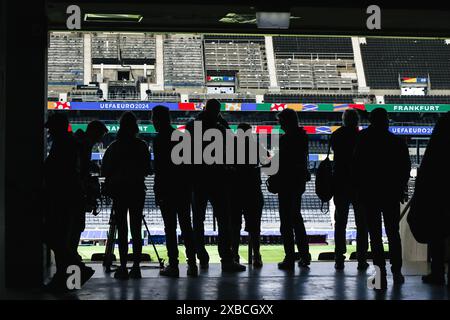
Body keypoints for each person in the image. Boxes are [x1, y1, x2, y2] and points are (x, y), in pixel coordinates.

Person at [353, 108, 411, 290]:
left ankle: (380, 276)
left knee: (375, 237)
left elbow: (356, 167)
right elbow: (405, 169)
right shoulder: (396, 142)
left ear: (371, 120)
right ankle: (397, 271)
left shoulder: (363, 139)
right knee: (393, 234)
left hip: (370, 194)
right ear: (386, 121)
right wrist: (400, 188)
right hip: (390, 194)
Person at [186, 99, 246, 272]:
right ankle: (226, 258)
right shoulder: (221, 125)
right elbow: (232, 145)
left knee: (198, 220)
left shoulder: (193, 125)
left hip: (199, 178)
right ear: (217, 110)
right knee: (222, 219)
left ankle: (201, 256)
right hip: (217, 178)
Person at [43, 113, 94, 291]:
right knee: (60, 239)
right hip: (70, 196)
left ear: (58, 127)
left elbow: (52, 169)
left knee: (55, 237)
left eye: (51, 127)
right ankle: (66, 278)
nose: (49, 131)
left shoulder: (63, 143)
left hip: (62, 196)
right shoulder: (70, 142)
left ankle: (74, 271)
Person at [101, 112, 152, 280]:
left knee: (122, 230)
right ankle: (136, 267)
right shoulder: (142, 145)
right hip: (137, 189)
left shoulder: (114, 146)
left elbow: (105, 170)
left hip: (119, 190)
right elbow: (147, 169)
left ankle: (122, 266)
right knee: (136, 229)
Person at [151, 105, 198, 278]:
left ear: (157, 120)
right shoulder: (181, 137)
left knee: (170, 228)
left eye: (154, 119)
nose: (153, 122)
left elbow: (160, 169)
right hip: (183, 188)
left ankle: (174, 264)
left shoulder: (158, 140)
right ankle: (192, 264)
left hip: (167, 189)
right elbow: (190, 165)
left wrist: (158, 190)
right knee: (186, 226)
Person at [412, 112, 450, 286]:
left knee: (437, 235)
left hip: (439, 194)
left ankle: (437, 272)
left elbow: (429, 165)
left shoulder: (441, 133)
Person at [273, 108, 311, 270]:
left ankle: (290, 257)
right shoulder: (302, 136)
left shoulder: (286, 139)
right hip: (298, 182)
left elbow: (282, 163)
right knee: (296, 219)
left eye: (281, 122)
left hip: (287, 184)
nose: (280, 125)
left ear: (288, 121)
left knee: (286, 223)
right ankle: (304, 255)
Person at [330, 109, 369, 270]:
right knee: (362, 223)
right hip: (359, 184)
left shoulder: (336, 135)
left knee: (340, 223)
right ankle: (361, 258)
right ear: (357, 120)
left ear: (344, 120)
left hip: (340, 183)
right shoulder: (362, 136)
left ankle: (339, 257)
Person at [71, 121, 108, 272]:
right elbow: (80, 170)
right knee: (75, 226)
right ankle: (72, 259)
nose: (99, 141)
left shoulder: (79, 141)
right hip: (74, 192)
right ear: (93, 132)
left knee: (76, 226)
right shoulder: (83, 144)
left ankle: (72, 257)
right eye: (99, 136)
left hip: (72, 190)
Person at [229, 123, 267, 268]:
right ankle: (256, 255)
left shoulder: (231, 147)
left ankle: (235, 256)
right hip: (253, 190)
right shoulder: (256, 145)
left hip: (235, 191)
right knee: (254, 226)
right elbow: (267, 162)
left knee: (234, 226)